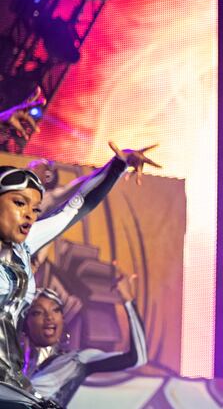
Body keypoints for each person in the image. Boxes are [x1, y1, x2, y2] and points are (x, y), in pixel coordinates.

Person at [0, 135, 156, 406]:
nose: (29, 215)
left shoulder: (26, 244)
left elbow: (75, 207)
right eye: (19, 203)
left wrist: (118, 166)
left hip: (11, 386)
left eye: (35, 208)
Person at [21, 271, 147, 407]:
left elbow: (137, 358)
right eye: (38, 312)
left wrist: (128, 300)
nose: (49, 317)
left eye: (55, 310)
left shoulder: (77, 360)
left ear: (63, 320)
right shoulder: (15, 362)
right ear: (25, 322)